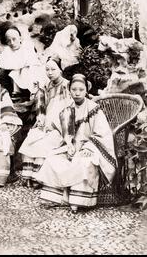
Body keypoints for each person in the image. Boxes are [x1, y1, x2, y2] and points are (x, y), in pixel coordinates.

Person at [33, 74, 117, 213]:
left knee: (83, 162)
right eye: (74, 89)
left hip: (91, 147)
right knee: (53, 158)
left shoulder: (93, 108)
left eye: (81, 90)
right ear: (69, 90)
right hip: (71, 146)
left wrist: (89, 147)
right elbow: (61, 131)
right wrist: (67, 144)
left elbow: (102, 133)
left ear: (86, 91)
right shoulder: (67, 108)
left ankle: (78, 200)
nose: (77, 93)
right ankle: (60, 198)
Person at [18, 56, 72, 188]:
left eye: (53, 69)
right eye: (47, 69)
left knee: (43, 144)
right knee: (30, 140)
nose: (50, 72)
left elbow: (68, 110)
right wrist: (41, 117)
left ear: (60, 69)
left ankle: (38, 177)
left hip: (61, 127)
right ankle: (28, 176)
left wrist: (54, 125)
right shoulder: (45, 86)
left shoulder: (67, 85)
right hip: (46, 125)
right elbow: (41, 108)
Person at [0, 27, 48, 101]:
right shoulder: (7, 50)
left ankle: (34, 92)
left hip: (31, 72)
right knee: (15, 72)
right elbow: (2, 63)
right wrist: (18, 65)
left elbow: (31, 60)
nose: (12, 43)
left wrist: (18, 64)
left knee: (28, 69)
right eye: (8, 41)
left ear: (20, 38)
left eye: (14, 39)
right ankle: (17, 92)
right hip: (17, 74)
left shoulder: (27, 46)